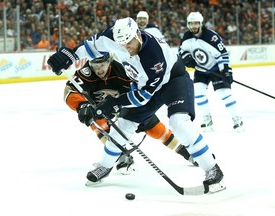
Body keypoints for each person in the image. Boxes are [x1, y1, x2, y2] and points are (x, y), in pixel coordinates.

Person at [47, 17, 225, 193]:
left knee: (179, 123)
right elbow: (90, 47)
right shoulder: (114, 37)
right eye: (121, 44)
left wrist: (116, 103)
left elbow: (144, 97)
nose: (126, 48)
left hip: (173, 81)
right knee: (123, 126)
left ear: (138, 34)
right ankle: (105, 166)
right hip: (143, 86)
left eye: (129, 43)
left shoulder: (154, 55)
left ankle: (212, 169)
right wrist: (70, 55)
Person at [64, 53, 197, 174]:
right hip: (102, 109)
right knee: (97, 124)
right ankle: (122, 155)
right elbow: (69, 91)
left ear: (109, 61)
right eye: (95, 66)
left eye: (102, 65)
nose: (99, 70)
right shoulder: (86, 72)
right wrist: (81, 105)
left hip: (126, 105)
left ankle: (186, 153)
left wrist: (136, 113)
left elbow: (140, 93)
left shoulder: (122, 70)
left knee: (156, 130)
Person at [178, 12, 244, 132]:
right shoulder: (186, 37)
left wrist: (226, 71)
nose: (193, 26)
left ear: (201, 23)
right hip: (200, 70)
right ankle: (207, 120)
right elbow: (181, 52)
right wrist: (187, 59)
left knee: (225, 94)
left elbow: (222, 54)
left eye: (196, 23)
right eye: (191, 23)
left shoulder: (211, 36)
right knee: (198, 93)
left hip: (215, 70)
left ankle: (237, 119)